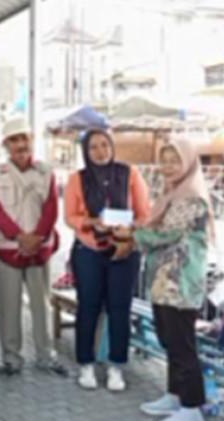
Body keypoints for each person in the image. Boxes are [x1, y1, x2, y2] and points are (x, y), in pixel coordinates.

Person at [120, 138, 212, 421]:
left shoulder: (191, 196)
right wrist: (136, 231)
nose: (168, 167)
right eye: (165, 160)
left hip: (180, 284)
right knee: (170, 341)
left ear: (188, 163)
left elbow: (167, 234)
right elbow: (157, 227)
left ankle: (192, 409)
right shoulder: (172, 193)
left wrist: (132, 236)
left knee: (182, 345)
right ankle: (175, 395)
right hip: (165, 281)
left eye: (175, 161)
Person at [64, 129, 151, 391]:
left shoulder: (130, 174)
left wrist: (128, 229)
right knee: (88, 307)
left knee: (119, 309)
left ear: (112, 146)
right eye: (93, 147)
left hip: (123, 250)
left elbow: (144, 214)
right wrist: (93, 222)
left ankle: (116, 366)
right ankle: (86, 364)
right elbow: (70, 216)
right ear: (85, 152)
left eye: (105, 145)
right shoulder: (77, 179)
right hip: (89, 250)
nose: (101, 151)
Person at [0, 117, 66, 377]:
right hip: (10, 249)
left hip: (39, 250)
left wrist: (37, 237)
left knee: (42, 305)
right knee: (9, 306)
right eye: (14, 140)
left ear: (32, 140)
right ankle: (11, 358)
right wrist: (20, 237)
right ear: (6, 145)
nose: (20, 145)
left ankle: (46, 355)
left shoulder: (46, 172)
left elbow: (52, 208)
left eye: (24, 138)